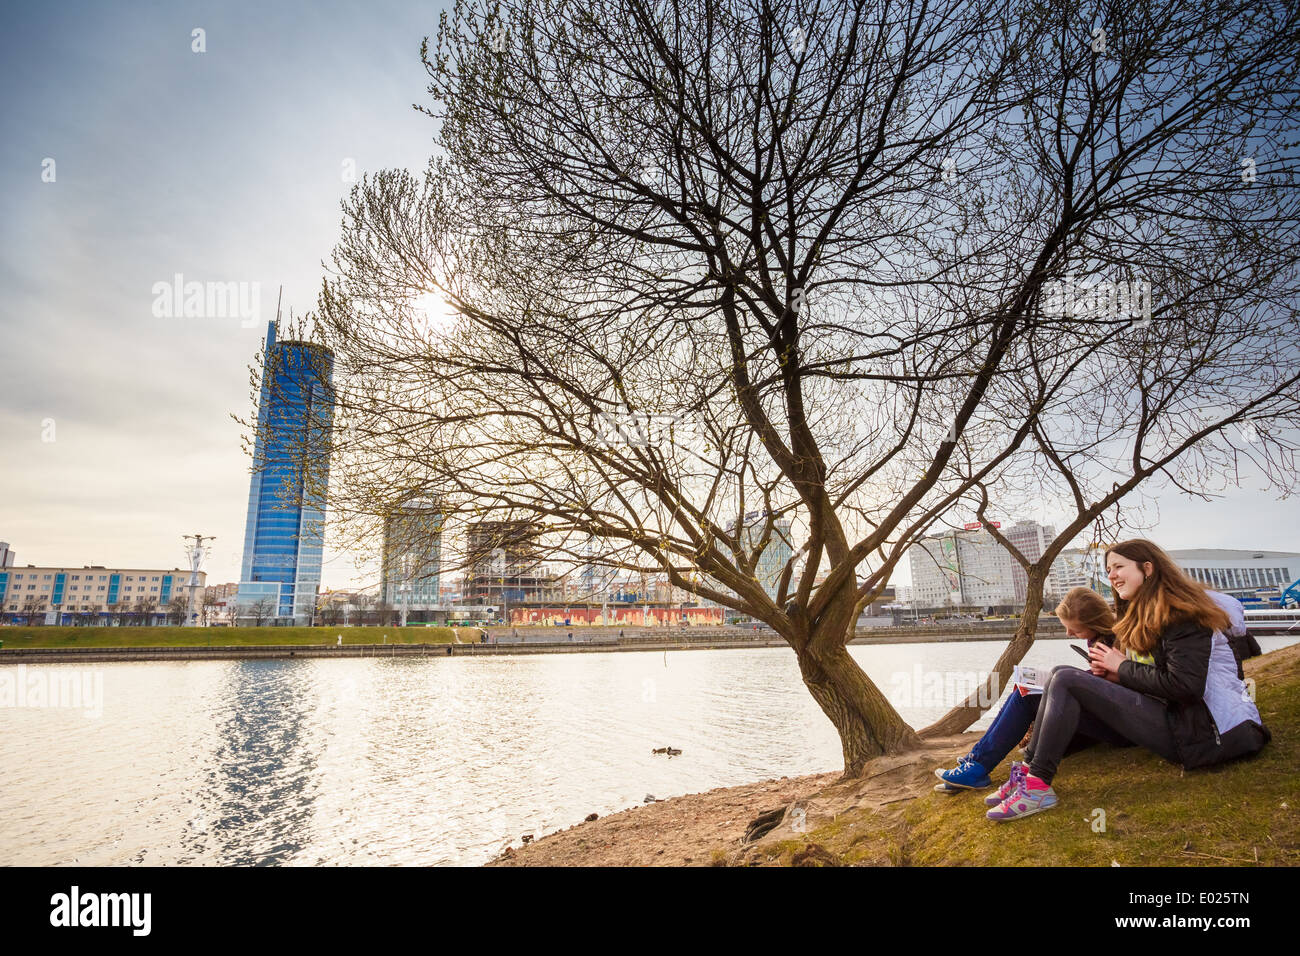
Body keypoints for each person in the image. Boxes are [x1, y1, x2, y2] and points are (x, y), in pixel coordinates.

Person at [986, 539, 1271, 822]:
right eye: (1108, 569)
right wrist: (1117, 675)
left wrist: (1122, 668)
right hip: (1182, 720)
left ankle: (1037, 785)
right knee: (1061, 676)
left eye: (1118, 566)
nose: (1111, 575)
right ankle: (1029, 773)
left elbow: (1185, 686)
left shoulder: (1182, 614)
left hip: (1210, 734)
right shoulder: (1153, 612)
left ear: (1147, 568)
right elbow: (1163, 681)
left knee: (1066, 678)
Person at [934, 587, 1123, 798]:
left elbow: (1129, 688)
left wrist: (1105, 674)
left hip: (1117, 723)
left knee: (1028, 696)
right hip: (1101, 710)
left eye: (1076, 630)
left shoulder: (1119, 640)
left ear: (1094, 623)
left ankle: (977, 767)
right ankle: (974, 762)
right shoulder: (1099, 638)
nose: (1069, 634)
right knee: (1025, 691)